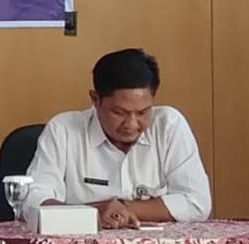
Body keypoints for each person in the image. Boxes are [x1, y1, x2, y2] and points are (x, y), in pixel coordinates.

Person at [24, 48, 212, 229]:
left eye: (142, 112)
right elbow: (32, 200)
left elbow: (197, 203)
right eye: (119, 113)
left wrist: (121, 209)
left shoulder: (168, 125)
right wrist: (92, 212)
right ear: (95, 100)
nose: (132, 124)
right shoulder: (64, 129)